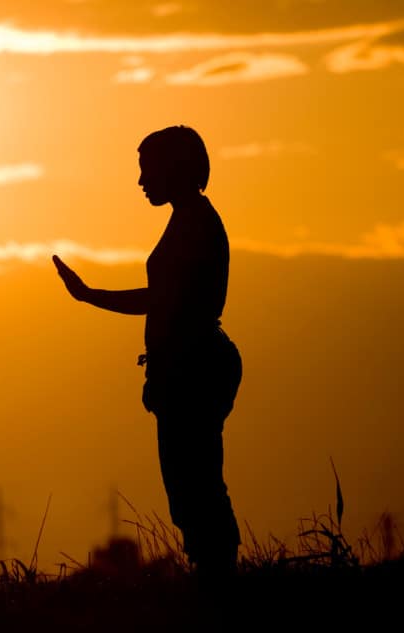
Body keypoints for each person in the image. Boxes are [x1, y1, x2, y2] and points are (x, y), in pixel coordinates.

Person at [53, 125, 242, 578]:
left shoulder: (195, 222)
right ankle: (214, 575)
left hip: (194, 369)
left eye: (147, 170)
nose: (140, 182)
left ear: (174, 168)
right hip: (186, 368)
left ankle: (219, 581)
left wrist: (90, 295)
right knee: (190, 484)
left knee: (195, 484)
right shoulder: (189, 219)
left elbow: (163, 300)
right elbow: (165, 298)